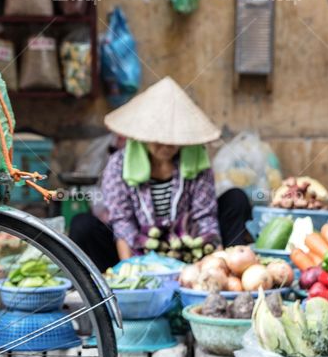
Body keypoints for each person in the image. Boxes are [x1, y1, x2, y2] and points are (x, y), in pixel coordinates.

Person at [70, 77, 251, 272]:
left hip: (189, 248)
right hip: (137, 252)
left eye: (173, 140)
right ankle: (107, 291)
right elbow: (123, 222)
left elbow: (205, 217)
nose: (166, 146)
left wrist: (216, 265)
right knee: (82, 226)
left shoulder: (196, 161)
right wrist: (131, 271)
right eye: (159, 139)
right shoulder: (119, 164)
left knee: (236, 199)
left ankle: (235, 268)